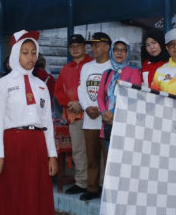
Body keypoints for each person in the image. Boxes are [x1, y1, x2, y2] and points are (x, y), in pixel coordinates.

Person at [0, 30, 58, 215]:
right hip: (13, 143)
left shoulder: (41, 86)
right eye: (24, 52)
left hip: (36, 144)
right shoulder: (3, 85)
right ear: (15, 54)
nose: (29, 58)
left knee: (34, 199)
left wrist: (52, 154)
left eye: (33, 53)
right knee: (14, 198)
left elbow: (47, 122)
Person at [54, 33, 92, 195]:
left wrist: (82, 104)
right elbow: (58, 91)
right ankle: (81, 182)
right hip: (73, 115)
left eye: (78, 46)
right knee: (78, 150)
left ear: (85, 47)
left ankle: (100, 183)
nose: (75, 49)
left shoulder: (93, 64)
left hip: (93, 114)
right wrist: (69, 103)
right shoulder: (65, 69)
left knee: (96, 150)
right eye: (72, 47)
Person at [77, 32, 112, 201]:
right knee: (92, 156)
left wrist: (102, 108)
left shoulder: (114, 66)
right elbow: (81, 89)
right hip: (90, 118)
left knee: (109, 157)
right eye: (93, 45)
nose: (94, 48)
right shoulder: (87, 67)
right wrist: (86, 107)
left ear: (107, 46)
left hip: (107, 119)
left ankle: (109, 190)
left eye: (98, 45)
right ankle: (92, 188)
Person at [97, 37, 142, 144]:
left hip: (125, 119)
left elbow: (133, 97)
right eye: (116, 49)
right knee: (110, 155)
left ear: (127, 52)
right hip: (108, 120)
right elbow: (100, 96)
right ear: (112, 52)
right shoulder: (107, 73)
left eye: (123, 50)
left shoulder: (134, 71)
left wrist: (114, 113)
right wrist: (105, 112)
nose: (119, 53)